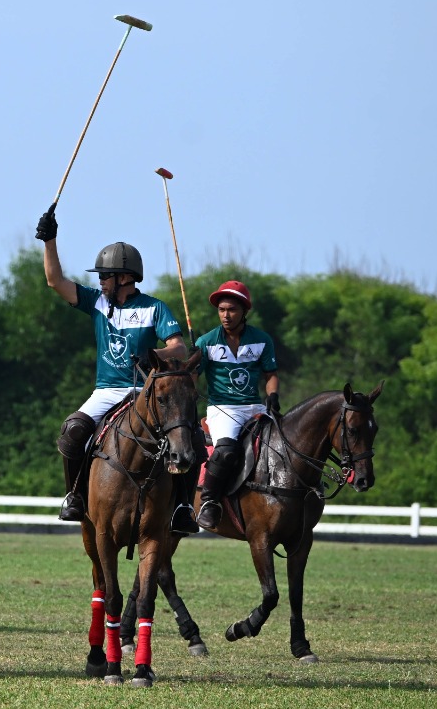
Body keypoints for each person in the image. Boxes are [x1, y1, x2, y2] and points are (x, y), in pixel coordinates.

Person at [35, 205, 192, 528]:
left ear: (125, 277)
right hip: (107, 391)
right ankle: (74, 495)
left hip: (146, 391)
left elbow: (179, 347)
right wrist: (50, 241)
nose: (102, 281)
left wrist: (155, 355)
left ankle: (182, 508)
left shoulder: (154, 307)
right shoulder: (97, 302)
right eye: (101, 277)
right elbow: (55, 281)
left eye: (106, 276)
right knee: (72, 430)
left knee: (190, 437)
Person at [193, 280, 280, 530]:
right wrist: (191, 362)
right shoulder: (206, 342)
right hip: (223, 409)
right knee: (227, 451)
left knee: (282, 444)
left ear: (244, 311)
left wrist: (272, 396)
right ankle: (209, 501)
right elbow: (191, 376)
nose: (226, 315)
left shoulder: (262, 339)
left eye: (231, 309)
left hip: (254, 407)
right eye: (221, 310)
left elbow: (270, 374)